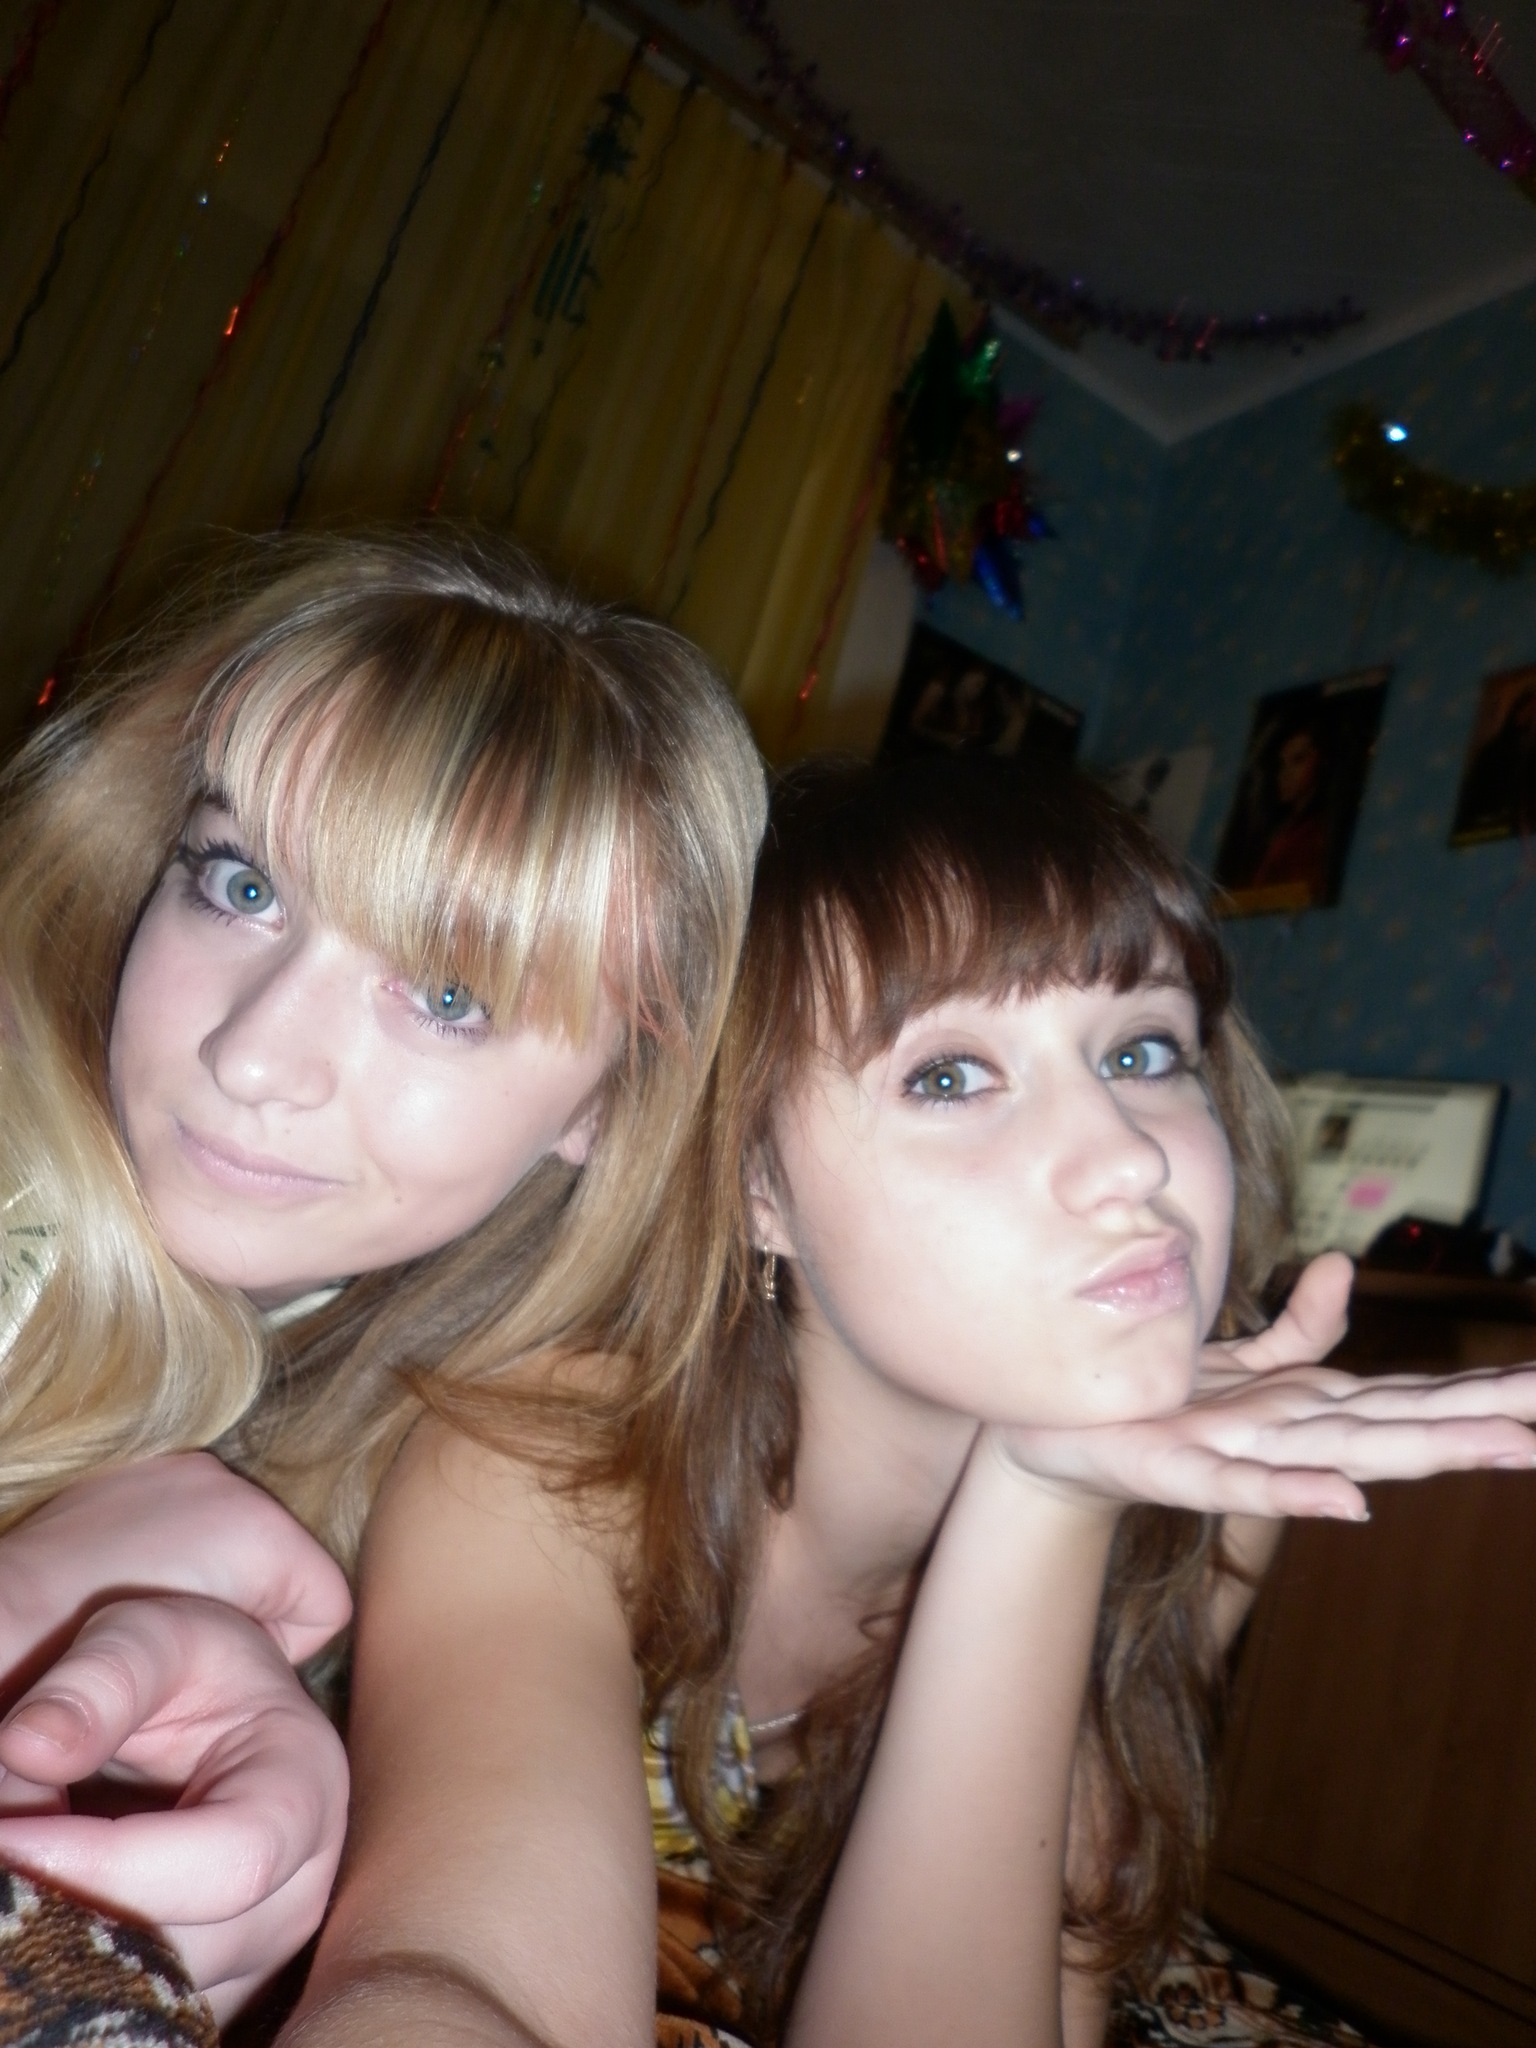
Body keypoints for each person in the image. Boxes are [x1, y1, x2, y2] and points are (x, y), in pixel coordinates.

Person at [284, 757, 1536, 2048]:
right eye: (949, 1076)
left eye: (1144, 1051)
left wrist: (1042, 1507)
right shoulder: (549, 1457)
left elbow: (1047, 1979)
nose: (1127, 1156)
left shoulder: (1207, 1499)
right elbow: (453, 1971)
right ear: (756, 1187)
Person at [0, 529, 765, 2027]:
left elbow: (483, 1962)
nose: (255, 1055)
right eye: (240, 885)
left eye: (451, 993)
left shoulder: (502, 1415)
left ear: (610, 1102)